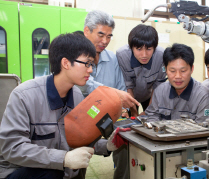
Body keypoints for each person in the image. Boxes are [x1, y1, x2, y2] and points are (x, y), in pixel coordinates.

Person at [0, 33, 139, 179]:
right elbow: (12, 148)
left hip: (60, 172)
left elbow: (77, 140)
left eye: (91, 64)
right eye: (87, 63)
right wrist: (64, 158)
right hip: (22, 171)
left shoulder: (78, 96)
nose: (90, 70)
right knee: (53, 173)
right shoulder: (24, 96)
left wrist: (106, 146)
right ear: (66, 63)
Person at [145, 43, 209, 123]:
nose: (178, 76)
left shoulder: (203, 95)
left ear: (192, 69)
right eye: (172, 71)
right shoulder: (160, 91)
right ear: (165, 69)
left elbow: (203, 128)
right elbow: (152, 117)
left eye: (183, 71)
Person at [83, 10, 129, 118]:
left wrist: (123, 109)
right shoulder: (75, 57)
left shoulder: (112, 58)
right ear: (86, 31)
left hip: (108, 119)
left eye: (109, 36)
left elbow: (121, 88)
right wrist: (112, 93)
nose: (105, 41)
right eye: (101, 35)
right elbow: (84, 85)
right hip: (81, 120)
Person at [117, 24, 167, 117]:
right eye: (139, 49)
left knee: (151, 118)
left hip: (149, 96)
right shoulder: (123, 55)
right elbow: (128, 86)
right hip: (128, 97)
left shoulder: (161, 56)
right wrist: (134, 112)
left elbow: (157, 87)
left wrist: (148, 112)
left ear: (154, 47)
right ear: (131, 47)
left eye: (149, 49)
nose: (144, 55)